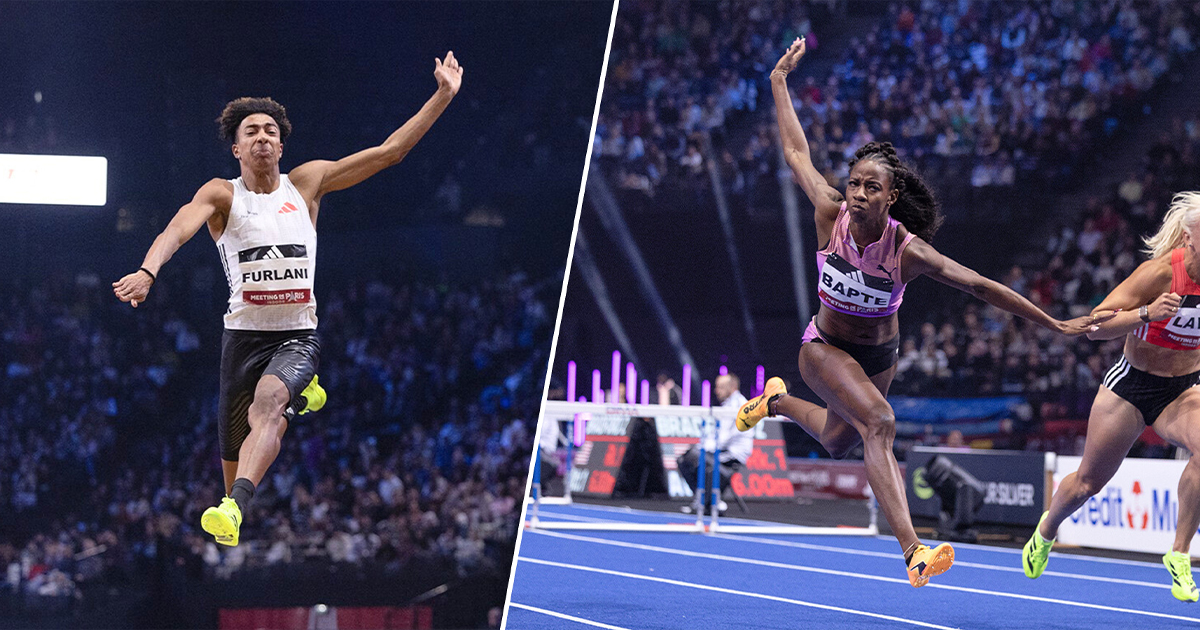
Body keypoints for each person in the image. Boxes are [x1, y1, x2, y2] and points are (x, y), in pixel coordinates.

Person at [736, 38, 1107, 588]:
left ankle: (776, 400)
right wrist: (777, 82)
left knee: (841, 439)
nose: (857, 193)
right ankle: (913, 551)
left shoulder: (908, 251)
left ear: (891, 197)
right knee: (880, 424)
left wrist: (1052, 322)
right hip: (823, 347)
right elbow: (796, 154)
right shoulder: (828, 212)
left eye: (871, 187)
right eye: (854, 182)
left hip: (878, 353)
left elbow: (981, 286)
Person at [111, 52, 464, 546]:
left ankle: (235, 507)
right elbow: (177, 228)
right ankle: (300, 404)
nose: (261, 136)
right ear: (236, 148)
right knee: (234, 458)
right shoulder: (222, 195)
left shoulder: (308, 183)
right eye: (251, 131)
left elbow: (389, 152)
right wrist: (149, 270)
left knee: (267, 408)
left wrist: (443, 95)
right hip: (241, 339)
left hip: (295, 335)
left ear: (281, 144)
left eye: (270, 131)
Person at [1023, 191, 1200, 602]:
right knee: (1088, 483)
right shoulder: (1158, 274)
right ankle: (1047, 530)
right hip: (1131, 386)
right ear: (1190, 238)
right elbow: (1096, 325)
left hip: (1183, 388)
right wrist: (1145, 314)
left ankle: (1179, 555)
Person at [677, 373, 753, 514]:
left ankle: (710, 498)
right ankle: (708, 500)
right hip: (722, 450)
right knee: (684, 459)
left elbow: (725, 438)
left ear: (733, 387)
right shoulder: (727, 404)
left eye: (721, 387)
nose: (716, 391)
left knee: (693, 456)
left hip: (732, 454)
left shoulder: (739, 405)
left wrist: (701, 449)